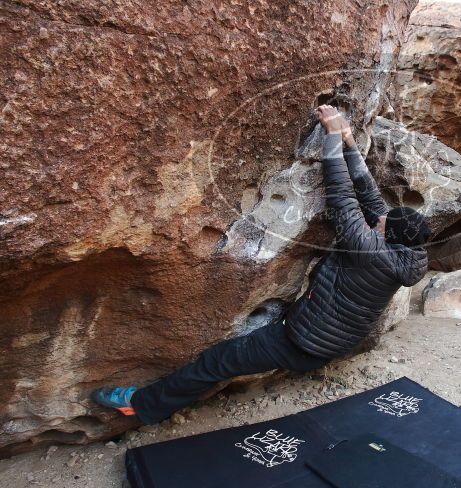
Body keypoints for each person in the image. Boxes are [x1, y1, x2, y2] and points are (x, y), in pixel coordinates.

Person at [91, 105, 431, 424]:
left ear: (386, 238)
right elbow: (370, 198)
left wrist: (329, 135)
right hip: (328, 336)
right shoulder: (409, 252)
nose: (378, 221)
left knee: (217, 361)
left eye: (382, 225)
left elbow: (342, 195)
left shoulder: (368, 248)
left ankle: (140, 405)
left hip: (301, 341)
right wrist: (349, 142)